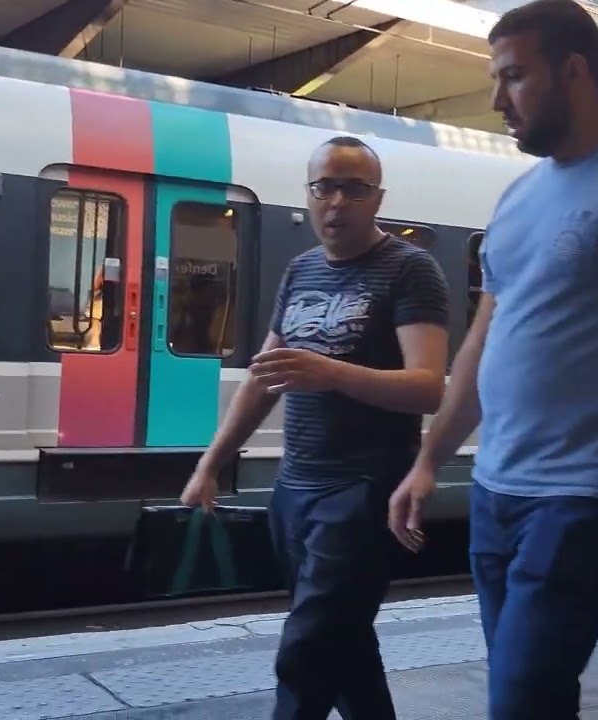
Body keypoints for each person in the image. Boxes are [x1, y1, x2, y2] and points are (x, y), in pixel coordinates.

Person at [386, 1, 598, 717]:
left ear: (574, 71)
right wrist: (430, 459)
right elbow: (484, 339)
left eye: (514, 76)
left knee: (520, 700)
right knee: (532, 697)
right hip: (495, 490)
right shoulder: (518, 198)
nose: (497, 99)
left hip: (583, 495)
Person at [180, 135, 450, 720]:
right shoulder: (301, 270)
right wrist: (211, 463)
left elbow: (429, 387)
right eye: (325, 187)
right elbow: (264, 378)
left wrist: (331, 373)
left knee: (307, 650)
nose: (337, 202)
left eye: (354, 189)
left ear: (378, 199)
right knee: (344, 645)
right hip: (295, 489)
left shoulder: (410, 270)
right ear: (308, 194)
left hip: (365, 489)